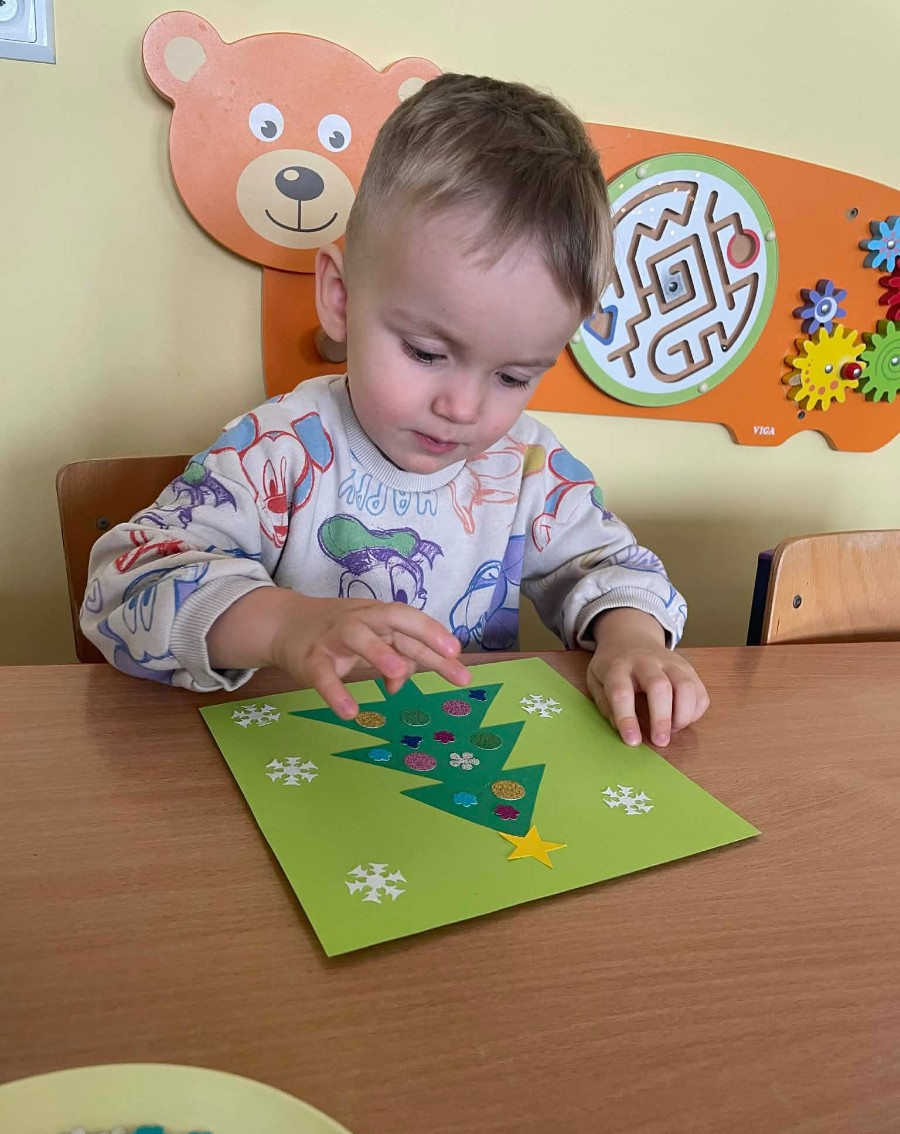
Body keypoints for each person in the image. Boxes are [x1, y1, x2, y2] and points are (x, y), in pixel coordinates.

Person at [82, 74, 708, 748]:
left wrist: (632, 640)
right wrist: (286, 625)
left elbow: (615, 570)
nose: (462, 407)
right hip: (286, 759)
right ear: (341, 298)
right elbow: (121, 590)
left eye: (513, 376)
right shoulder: (277, 451)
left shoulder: (526, 466)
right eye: (425, 352)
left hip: (453, 758)